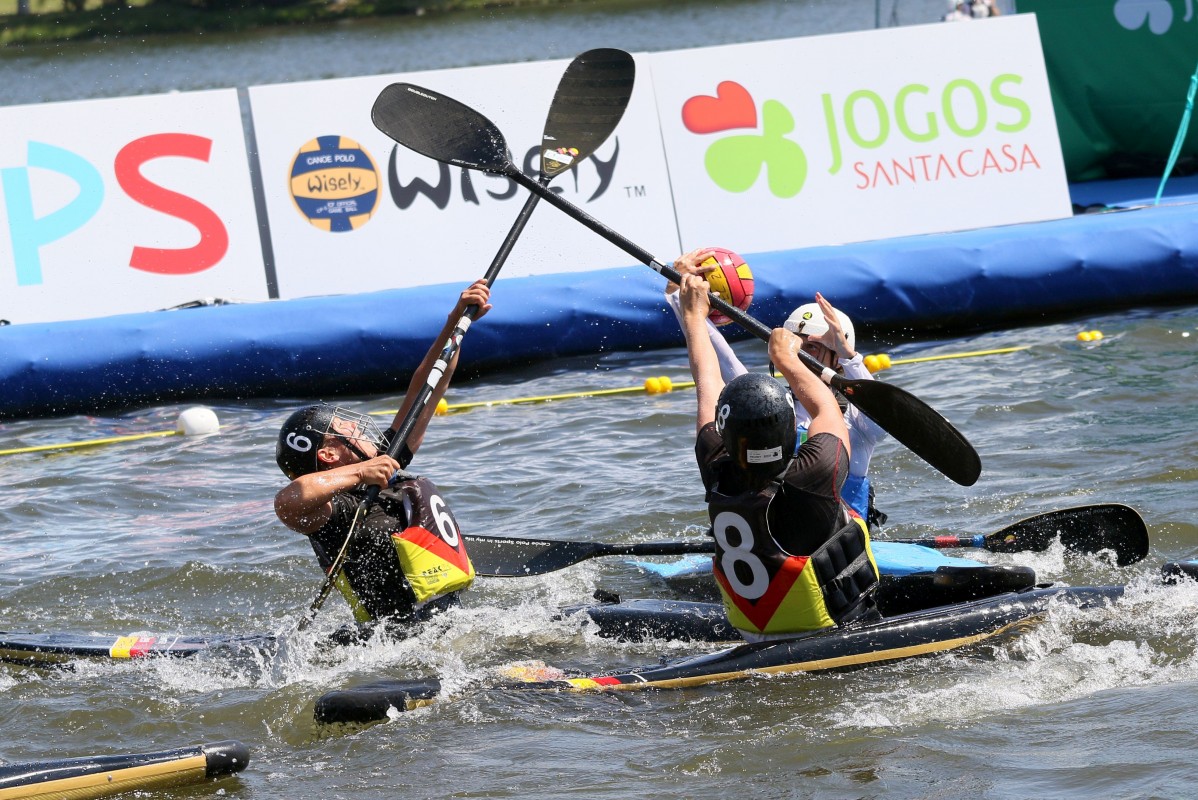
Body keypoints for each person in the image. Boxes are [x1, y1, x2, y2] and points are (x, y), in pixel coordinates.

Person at [676, 256, 880, 641]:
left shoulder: (717, 459)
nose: (803, 353)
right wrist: (789, 359)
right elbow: (824, 410)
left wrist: (690, 312)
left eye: (813, 348)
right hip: (826, 617)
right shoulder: (816, 468)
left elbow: (708, 383)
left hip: (755, 621)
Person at [273, 279, 491, 633]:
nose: (357, 426)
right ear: (329, 454)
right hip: (393, 642)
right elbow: (287, 502)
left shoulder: (385, 461)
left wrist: (456, 322)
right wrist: (360, 474)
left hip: (447, 624)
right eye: (345, 427)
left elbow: (427, 386)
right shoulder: (335, 512)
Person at [665, 255, 888, 531]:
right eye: (796, 345)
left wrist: (850, 357)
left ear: (836, 361)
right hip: (777, 535)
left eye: (813, 347)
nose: (800, 354)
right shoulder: (768, 409)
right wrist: (679, 295)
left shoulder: (855, 421)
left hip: (840, 540)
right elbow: (721, 361)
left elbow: (882, 421)